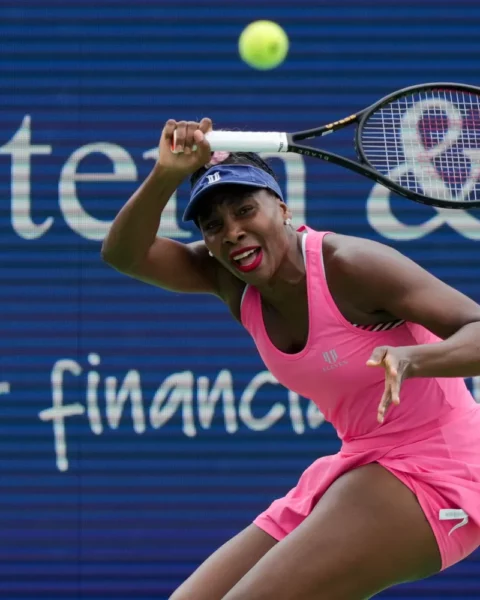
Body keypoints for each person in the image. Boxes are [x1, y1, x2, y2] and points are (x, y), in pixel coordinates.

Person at [101, 118, 480, 600]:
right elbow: (123, 255)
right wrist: (166, 174)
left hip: (444, 468)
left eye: (245, 210)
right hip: (363, 460)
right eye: (214, 226)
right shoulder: (228, 279)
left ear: (282, 208)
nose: (233, 233)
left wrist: (416, 360)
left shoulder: (352, 266)